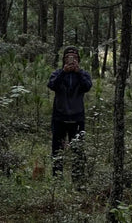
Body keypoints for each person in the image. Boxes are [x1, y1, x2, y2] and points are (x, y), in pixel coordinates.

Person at [47, 46, 92, 180]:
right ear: (64, 59)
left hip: (77, 118)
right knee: (57, 150)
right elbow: (51, 85)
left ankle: (78, 180)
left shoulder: (83, 74)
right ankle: (57, 179)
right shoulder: (57, 73)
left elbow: (87, 86)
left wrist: (78, 72)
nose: (71, 59)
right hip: (59, 118)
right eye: (68, 57)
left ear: (78, 59)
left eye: (74, 57)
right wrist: (63, 73)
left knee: (78, 151)